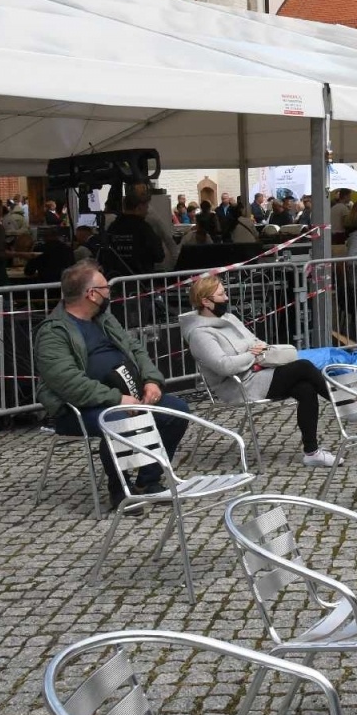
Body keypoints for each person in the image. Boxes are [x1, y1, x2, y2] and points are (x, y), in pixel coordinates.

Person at [36, 261, 189, 511]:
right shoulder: (54, 332)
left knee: (177, 411)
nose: (110, 292)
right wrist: (115, 398)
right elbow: (67, 382)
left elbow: (135, 349)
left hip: (129, 393)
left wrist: (151, 380)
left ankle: (148, 482)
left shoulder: (104, 319)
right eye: (106, 287)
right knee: (119, 419)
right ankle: (121, 489)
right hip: (78, 408)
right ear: (91, 294)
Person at [181, 275, 338, 466]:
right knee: (303, 366)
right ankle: (347, 404)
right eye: (221, 294)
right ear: (206, 301)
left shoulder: (229, 318)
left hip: (259, 373)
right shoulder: (200, 334)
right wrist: (252, 357)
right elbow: (224, 366)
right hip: (239, 385)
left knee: (305, 388)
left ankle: (312, 453)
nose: (227, 298)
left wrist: (256, 354)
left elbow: (258, 343)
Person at [97, 181, 164, 279]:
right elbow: (159, 255)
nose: (147, 210)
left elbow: (104, 255)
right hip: (141, 283)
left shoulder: (113, 227)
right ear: (139, 207)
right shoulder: (144, 228)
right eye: (146, 206)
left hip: (117, 282)